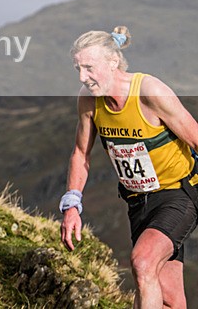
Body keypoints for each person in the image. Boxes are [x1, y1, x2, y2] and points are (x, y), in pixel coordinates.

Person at [60, 26, 198, 309]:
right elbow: (80, 154)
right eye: (77, 68)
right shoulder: (89, 102)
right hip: (137, 201)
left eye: (88, 67)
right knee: (170, 298)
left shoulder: (149, 91)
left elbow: (195, 137)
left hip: (178, 194)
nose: (82, 77)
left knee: (142, 261)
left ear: (112, 62)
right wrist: (72, 204)